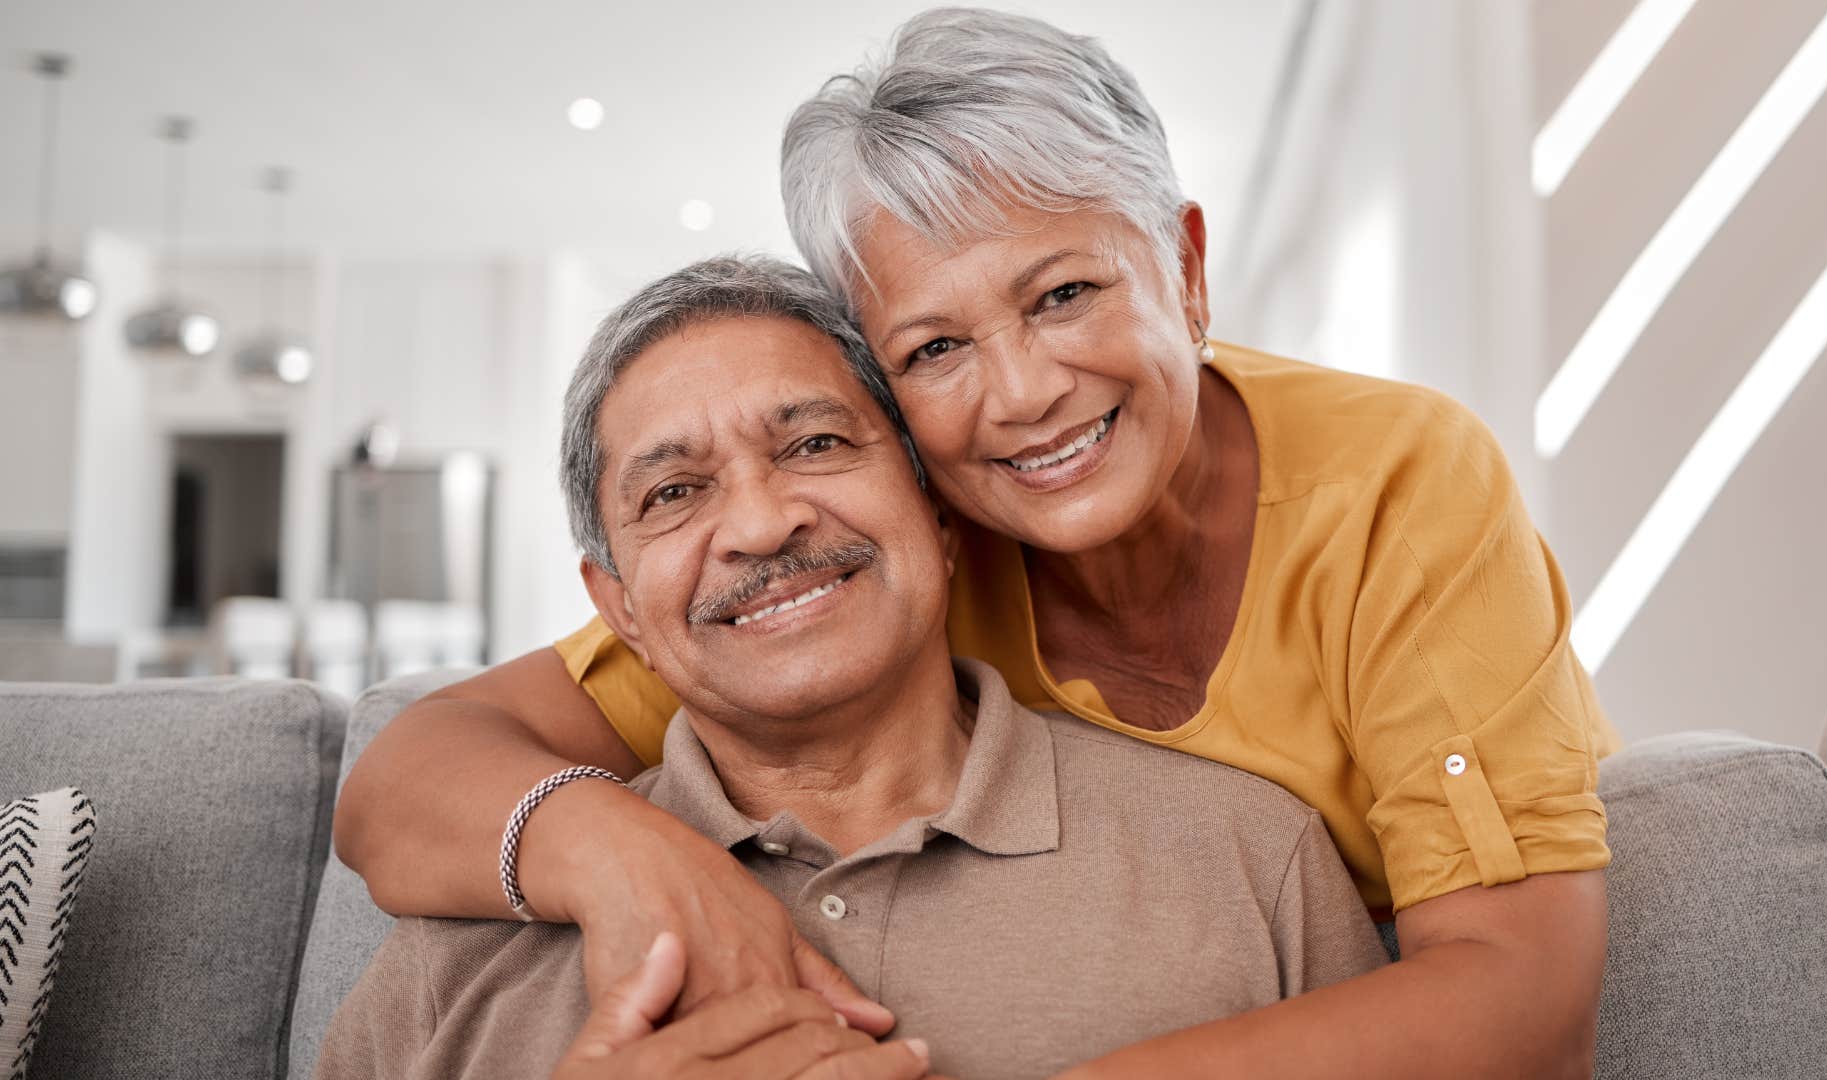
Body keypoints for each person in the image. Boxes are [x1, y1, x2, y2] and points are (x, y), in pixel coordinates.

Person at [336, 8, 1619, 1076]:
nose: (1019, 395)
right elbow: (408, 778)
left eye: (1065, 294)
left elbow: (1523, 991)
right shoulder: (856, 569)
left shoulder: (1393, 485)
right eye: (935, 350)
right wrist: (629, 856)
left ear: (1184, 266)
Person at [317, 257, 1386, 1080]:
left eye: (816, 445)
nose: (761, 522)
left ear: (940, 508)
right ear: (619, 612)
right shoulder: (458, 956)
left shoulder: (1254, 864)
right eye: (675, 493)